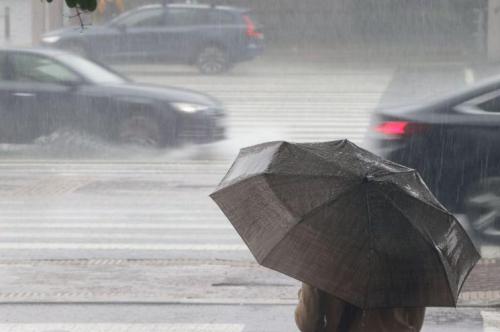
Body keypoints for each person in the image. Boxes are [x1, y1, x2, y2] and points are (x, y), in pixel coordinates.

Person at [295, 283, 426, 332]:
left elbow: (308, 324)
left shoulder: (329, 252)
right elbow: (415, 323)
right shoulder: (411, 255)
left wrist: (307, 286)